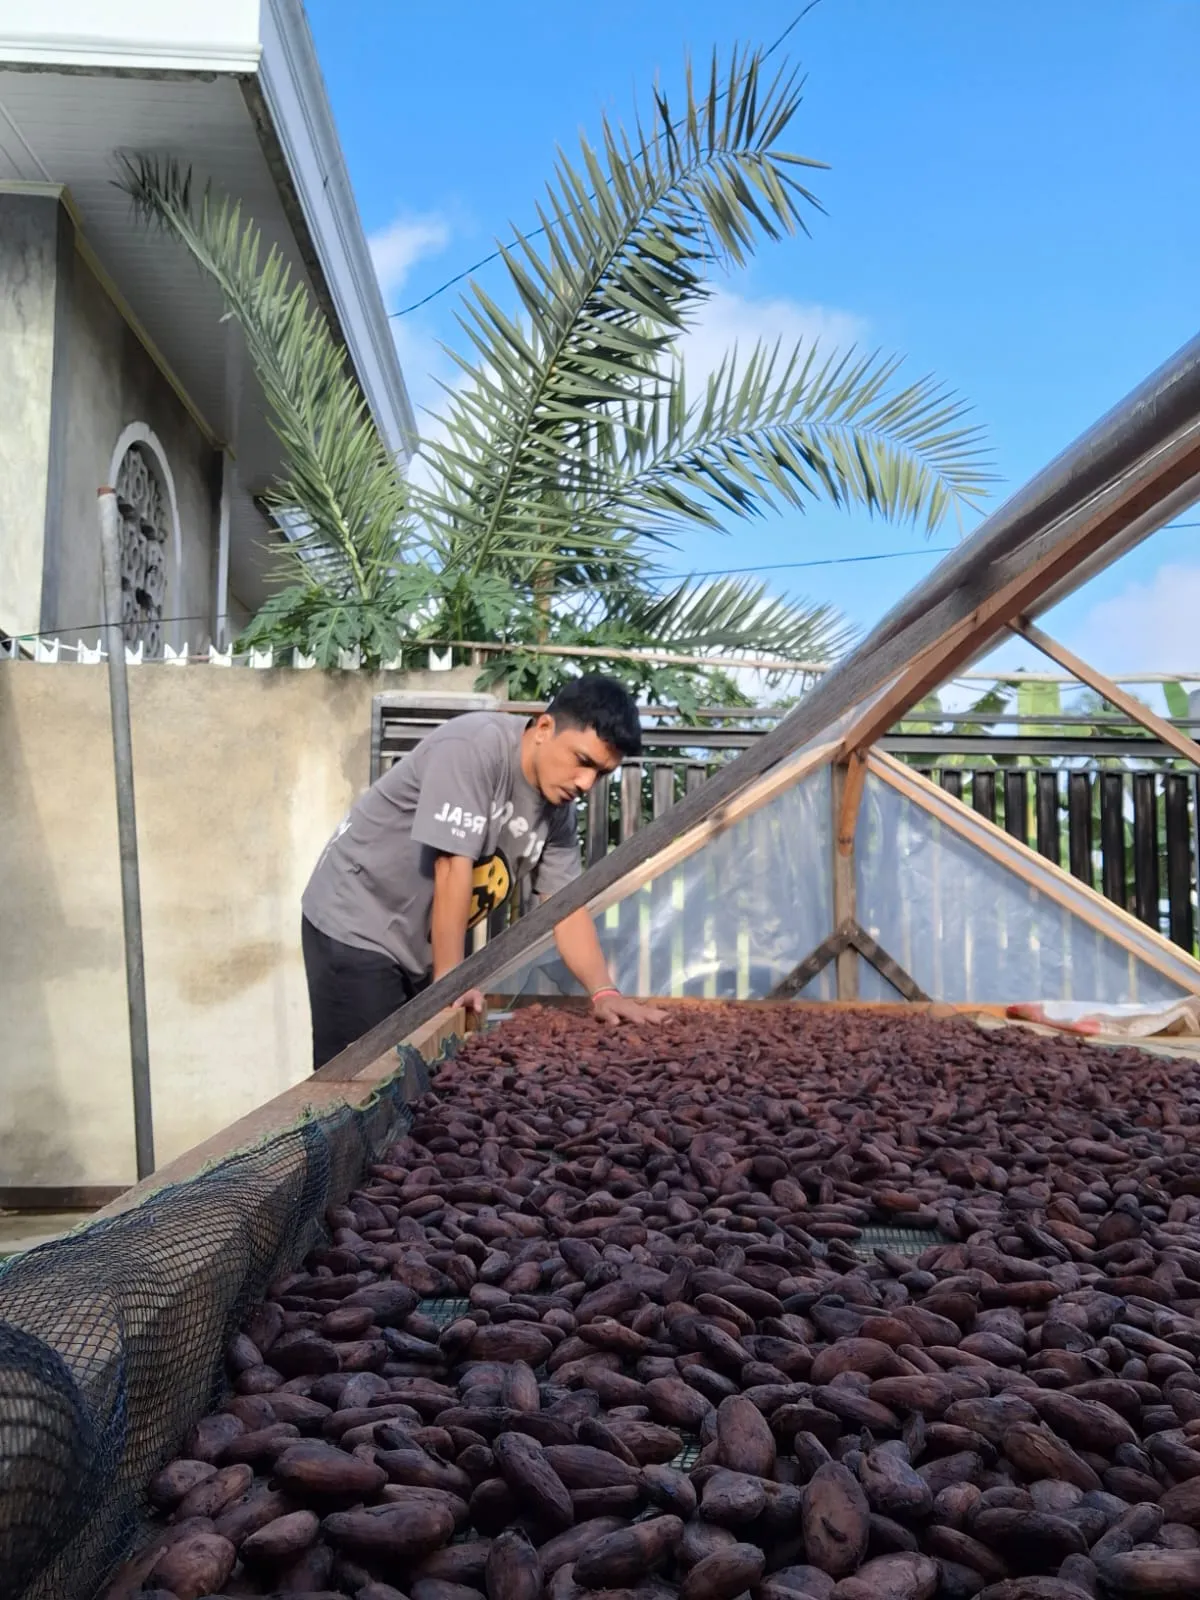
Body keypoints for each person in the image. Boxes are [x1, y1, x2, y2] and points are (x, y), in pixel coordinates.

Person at [300, 674, 665, 1069]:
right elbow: (451, 866)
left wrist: (604, 992)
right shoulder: (474, 747)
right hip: (356, 920)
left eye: (602, 773)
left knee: (414, 1076)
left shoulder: (558, 813)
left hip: (415, 944)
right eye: (583, 761)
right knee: (362, 1083)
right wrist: (450, 985)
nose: (586, 783)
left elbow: (566, 907)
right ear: (544, 728)